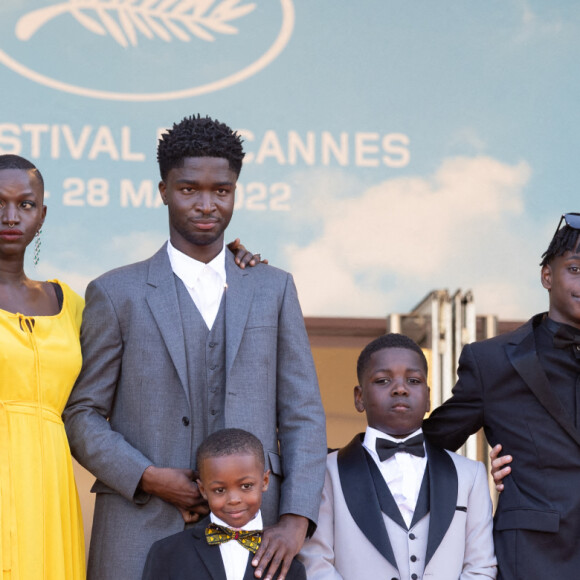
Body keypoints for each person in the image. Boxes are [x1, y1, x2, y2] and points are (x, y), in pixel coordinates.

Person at [63, 114, 327, 580]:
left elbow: (302, 412)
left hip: (258, 535)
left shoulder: (273, 288)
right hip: (139, 524)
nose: (206, 204)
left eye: (221, 191)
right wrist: (147, 476)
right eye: (189, 190)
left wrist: (295, 519)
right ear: (163, 190)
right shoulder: (115, 292)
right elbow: (82, 413)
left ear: (235, 191)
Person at [423, 213, 580, 579]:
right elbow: (430, 444)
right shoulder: (492, 361)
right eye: (575, 268)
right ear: (547, 275)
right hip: (533, 555)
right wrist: (476, 481)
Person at [299, 333, 497, 580]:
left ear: (428, 397)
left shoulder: (470, 475)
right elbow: (316, 564)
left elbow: (481, 568)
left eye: (413, 380)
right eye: (383, 380)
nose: (400, 389)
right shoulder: (327, 472)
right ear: (359, 397)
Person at [0, 154, 85, 579]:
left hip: (49, 484)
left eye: (25, 204)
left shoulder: (70, 304)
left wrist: (236, 267)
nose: (10, 216)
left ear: (42, 214)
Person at [142, 428, 307, 580]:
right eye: (220, 490)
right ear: (203, 489)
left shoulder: (288, 564)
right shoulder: (168, 553)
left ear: (264, 481)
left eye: (246, 486)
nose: (234, 499)